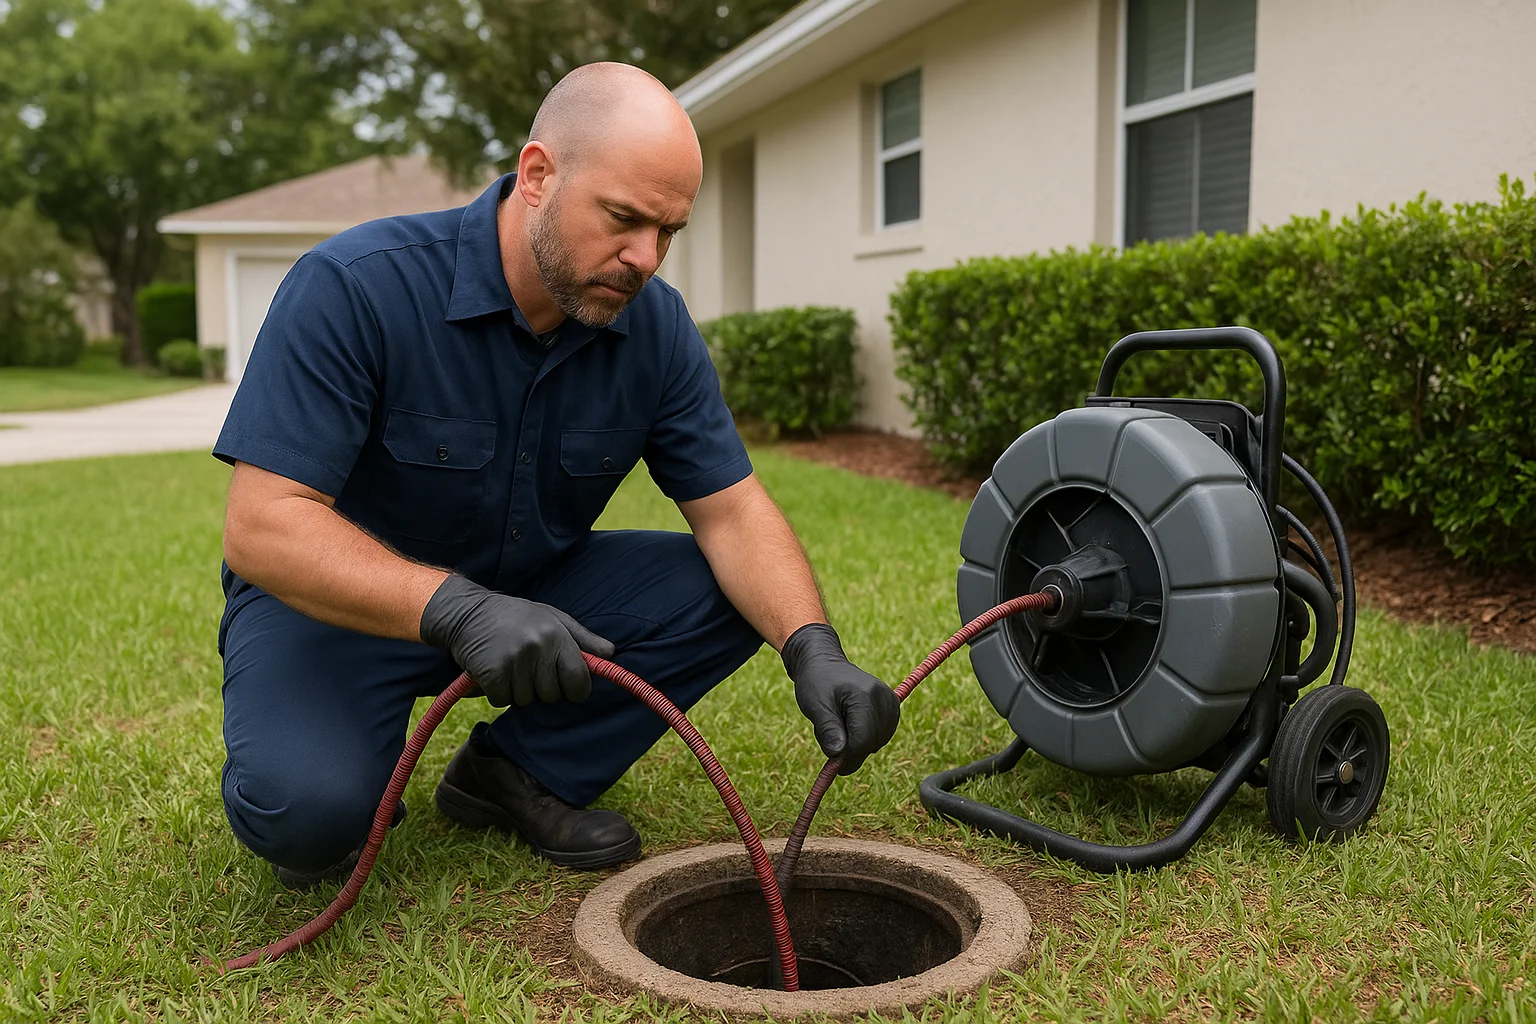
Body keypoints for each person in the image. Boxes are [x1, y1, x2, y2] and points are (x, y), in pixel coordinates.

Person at [213, 62, 901, 888]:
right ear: (538, 175)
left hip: (535, 595)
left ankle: (513, 773)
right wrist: (458, 610)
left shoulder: (655, 328)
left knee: (730, 587)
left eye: (669, 231)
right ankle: (351, 772)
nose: (645, 257)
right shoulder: (356, 287)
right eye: (623, 218)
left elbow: (733, 513)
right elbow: (263, 523)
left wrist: (812, 649)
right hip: (340, 607)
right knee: (309, 817)